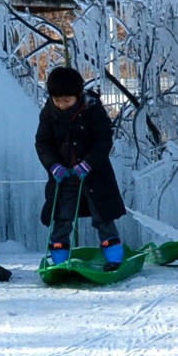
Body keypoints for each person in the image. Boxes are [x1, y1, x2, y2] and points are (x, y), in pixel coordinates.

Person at [36, 65, 125, 267]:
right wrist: (53, 165)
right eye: (57, 100)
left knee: (103, 217)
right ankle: (59, 260)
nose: (61, 105)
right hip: (64, 177)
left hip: (95, 176)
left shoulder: (93, 110)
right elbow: (43, 143)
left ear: (78, 95)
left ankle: (113, 257)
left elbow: (103, 141)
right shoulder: (48, 113)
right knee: (62, 217)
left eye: (67, 100)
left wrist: (88, 163)